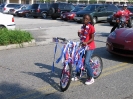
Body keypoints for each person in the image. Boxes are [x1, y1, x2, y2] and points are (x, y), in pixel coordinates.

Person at [72, 14, 96, 85]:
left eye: (86, 19)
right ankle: (78, 75)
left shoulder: (91, 27)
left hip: (90, 47)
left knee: (86, 62)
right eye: (84, 19)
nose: (85, 20)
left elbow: (92, 38)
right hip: (83, 46)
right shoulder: (83, 27)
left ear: (89, 20)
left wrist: (86, 42)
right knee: (78, 60)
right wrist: (79, 34)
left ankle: (91, 78)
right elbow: (81, 36)